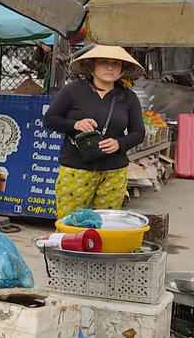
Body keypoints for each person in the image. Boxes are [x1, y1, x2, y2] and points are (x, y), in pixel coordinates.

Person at [44, 45, 145, 220]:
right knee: (70, 222)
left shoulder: (128, 97)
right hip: (76, 169)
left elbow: (138, 133)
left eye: (116, 63)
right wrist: (75, 124)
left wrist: (119, 143)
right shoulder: (72, 91)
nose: (110, 67)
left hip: (114, 172)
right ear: (92, 66)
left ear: (122, 69)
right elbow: (50, 119)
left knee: (107, 225)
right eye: (103, 62)